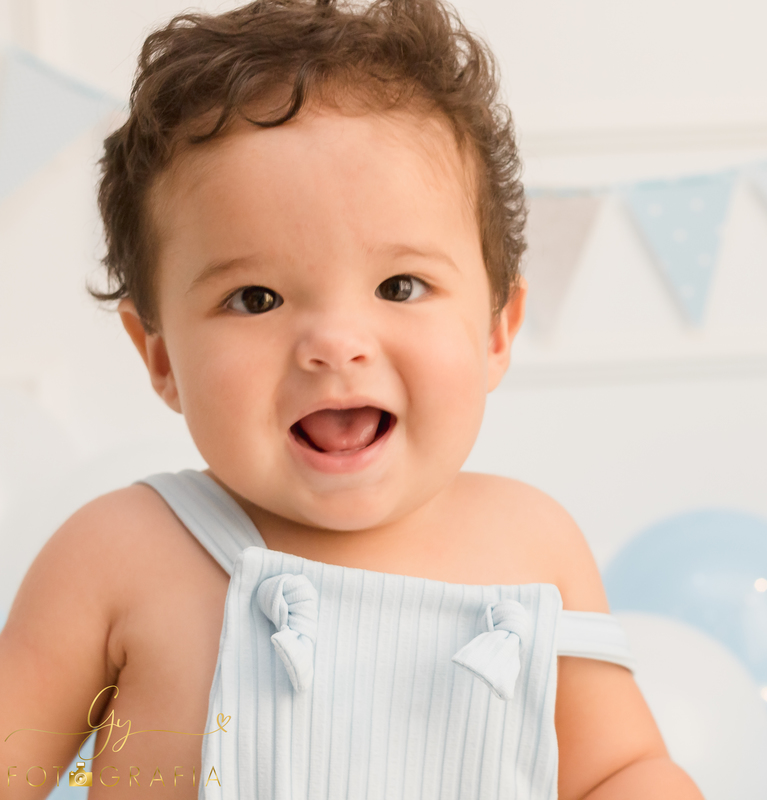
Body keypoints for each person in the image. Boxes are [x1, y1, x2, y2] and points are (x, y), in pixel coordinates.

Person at [0, 1, 703, 797]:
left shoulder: (531, 545)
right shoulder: (118, 555)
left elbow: (619, 769)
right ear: (160, 358)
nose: (335, 343)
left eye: (400, 286)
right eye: (256, 298)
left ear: (497, 329)